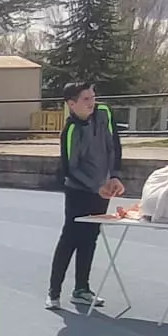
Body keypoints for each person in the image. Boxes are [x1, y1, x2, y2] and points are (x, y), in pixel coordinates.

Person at [49, 82, 126, 311]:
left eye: (93, 97)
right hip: (78, 190)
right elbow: (69, 168)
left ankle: (81, 290)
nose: (92, 103)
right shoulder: (70, 130)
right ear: (71, 104)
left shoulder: (104, 113)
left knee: (91, 237)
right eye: (85, 99)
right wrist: (95, 186)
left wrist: (114, 176)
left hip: (102, 189)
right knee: (70, 238)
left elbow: (114, 145)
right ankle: (54, 292)